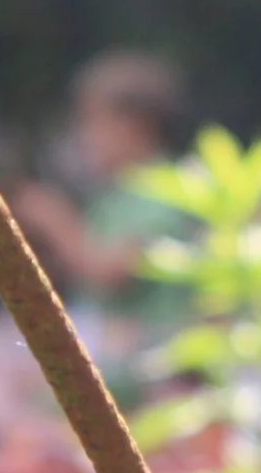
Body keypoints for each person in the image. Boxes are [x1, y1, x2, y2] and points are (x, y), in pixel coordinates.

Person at [12, 51, 192, 385]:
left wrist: (54, 220)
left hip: (152, 365)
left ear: (134, 125)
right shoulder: (112, 198)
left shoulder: (163, 190)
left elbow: (109, 271)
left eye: (92, 121)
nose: (83, 136)